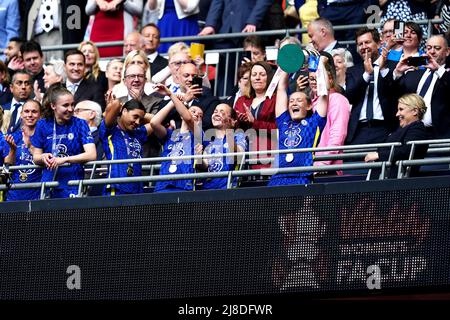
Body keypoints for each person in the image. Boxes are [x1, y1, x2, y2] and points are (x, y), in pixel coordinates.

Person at [268, 55, 328, 187]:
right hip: (278, 178)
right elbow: (281, 88)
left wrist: (321, 66)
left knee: (300, 209)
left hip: (302, 177)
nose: (294, 103)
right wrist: (287, 64)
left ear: (309, 106)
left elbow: (324, 93)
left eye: (299, 100)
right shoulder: (284, 122)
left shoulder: (314, 123)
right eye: (291, 101)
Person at [31, 86, 97, 198]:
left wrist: (65, 159)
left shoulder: (80, 124)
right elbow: (35, 157)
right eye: (65, 105)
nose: (70, 109)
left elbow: (92, 154)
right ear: (53, 106)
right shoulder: (42, 125)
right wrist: (43, 156)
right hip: (48, 183)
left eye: (72, 104)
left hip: (73, 183)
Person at [345, 27, 397, 145]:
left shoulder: (393, 66)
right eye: (360, 44)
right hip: (359, 131)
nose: (363, 47)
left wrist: (383, 69)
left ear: (378, 43)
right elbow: (349, 97)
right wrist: (367, 74)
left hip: (385, 128)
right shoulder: (352, 71)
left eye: (367, 42)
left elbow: (394, 93)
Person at [392, 35, 450, 139]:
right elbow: (394, 94)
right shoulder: (417, 73)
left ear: (447, 51)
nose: (432, 52)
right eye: (429, 48)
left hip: (440, 134)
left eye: (437, 48)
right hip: (413, 132)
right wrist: (398, 73)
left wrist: (439, 70)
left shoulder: (446, 74)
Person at [150, 83, 203, 192]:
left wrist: (170, 94)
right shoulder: (170, 134)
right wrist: (172, 102)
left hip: (184, 187)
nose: (197, 115)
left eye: (200, 116)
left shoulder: (198, 135)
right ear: (181, 113)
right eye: (193, 111)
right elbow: (154, 123)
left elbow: (188, 119)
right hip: (162, 186)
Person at [364, 93, 430, 178]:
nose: (397, 114)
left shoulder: (417, 129)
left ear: (415, 111)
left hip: (396, 182)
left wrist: (379, 155)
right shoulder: (403, 129)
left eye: (401, 109)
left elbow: (407, 150)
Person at [99, 98, 153, 195]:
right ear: (124, 111)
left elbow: (156, 121)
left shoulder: (138, 133)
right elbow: (116, 103)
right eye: (135, 117)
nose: (137, 122)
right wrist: (122, 105)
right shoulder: (110, 130)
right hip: (116, 187)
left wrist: (141, 114)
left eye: (140, 119)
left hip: (137, 189)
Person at [234, 61, 277, 169]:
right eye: (254, 75)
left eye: (262, 75)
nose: (257, 78)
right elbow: (234, 129)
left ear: (269, 77)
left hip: (267, 155)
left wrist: (255, 123)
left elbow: (279, 128)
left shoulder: (276, 99)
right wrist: (239, 122)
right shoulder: (241, 100)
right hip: (244, 156)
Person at [196, 103, 247, 190]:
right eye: (215, 111)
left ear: (232, 121)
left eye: (222, 112)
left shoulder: (238, 136)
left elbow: (238, 156)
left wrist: (229, 130)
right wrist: (198, 157)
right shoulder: (210, 144)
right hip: (208, 189)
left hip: (227, 189)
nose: (216, 113)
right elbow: (204, 166)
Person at [4, 99, 42, 201]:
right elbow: (8, 165)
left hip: (38, 195)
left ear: (40, 115)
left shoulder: (45, 137)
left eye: (34, 112)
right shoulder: (13, 137)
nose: (30, 115)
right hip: (14, 195)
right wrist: (13, 149)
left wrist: (30, 145)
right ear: (21, 114)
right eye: (26, 111)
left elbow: (46, 161)